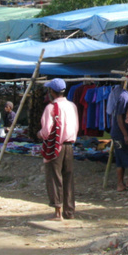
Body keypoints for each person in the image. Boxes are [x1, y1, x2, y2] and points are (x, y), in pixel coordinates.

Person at [38, 79, 79, 221]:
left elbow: (46, 131)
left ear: (51, 92)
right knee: (68, 178)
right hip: (69, 146)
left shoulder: (51, 107)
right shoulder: (72, 106)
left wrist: (39, 134)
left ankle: (57, 212)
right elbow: (75, 126)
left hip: (56, 146)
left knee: (55, 178)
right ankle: (70, 211)